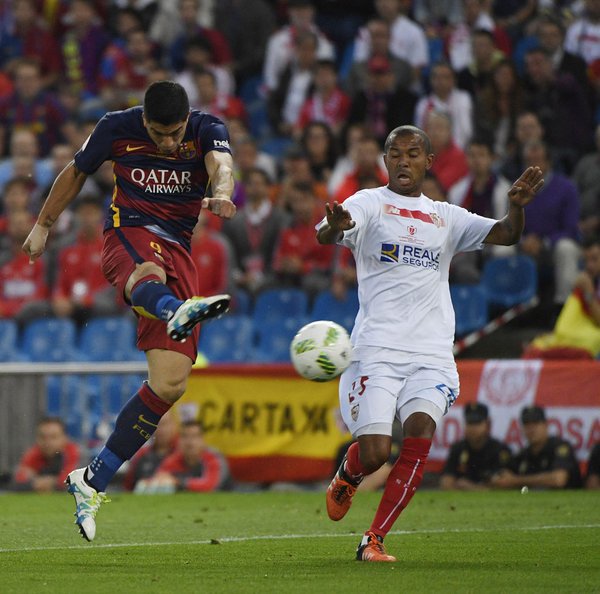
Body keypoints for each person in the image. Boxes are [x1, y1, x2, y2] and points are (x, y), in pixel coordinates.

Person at [316, 124, 543, 562]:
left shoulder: (445, 216)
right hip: (377, 350)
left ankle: (374, 539)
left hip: (432, 354)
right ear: (385, 161)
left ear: (428, 161)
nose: (403, 161)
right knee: (378, 452)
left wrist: (515, 210)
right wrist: (335, 229)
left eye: (413, 153)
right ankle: (351, 471)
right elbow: (326, 232)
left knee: (420, 435)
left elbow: (506, 234)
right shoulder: (368, 203)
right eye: (395, 153)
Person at [21, 80, 235, 541]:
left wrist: (222, 190)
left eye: (174, 132)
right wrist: (42, 226)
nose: (167, 142)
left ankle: (92, 479)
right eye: (159, 133)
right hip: (129, 231)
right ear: (144, 120)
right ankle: (175, 309)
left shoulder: (206, 128)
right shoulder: (115, 128)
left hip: (180, 247)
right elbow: (76, 172)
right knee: (147, 272)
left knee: (170, 383)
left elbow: (222, 164)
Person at [522, 235, 600, 359]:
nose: (589, 266)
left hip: (592, 336)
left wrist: (588, 292)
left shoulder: (588, 285)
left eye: (594, 259)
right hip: (584, 331)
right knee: (538, 345)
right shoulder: (590, 280)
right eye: (586, 261)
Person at [490, 406, 582, 490]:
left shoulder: (560, 447)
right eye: (527, 425)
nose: (531, 429)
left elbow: (558, 480)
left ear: (546, 425)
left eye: (535, 424)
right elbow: (505, 478)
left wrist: (515, 480)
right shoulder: (523, 454)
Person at [140, 420, 230, 493]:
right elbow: (158, 478)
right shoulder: (175, 459)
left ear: (203, 440)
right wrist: (149, 482)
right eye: (185, 436)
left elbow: (210, 485)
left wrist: (178, 482)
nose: (189, 442)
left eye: (194, 436)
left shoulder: (213, 458)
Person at [439, 403, 512, 490]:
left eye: (477, 423)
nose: (473, 428)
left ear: (487, 424)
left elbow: (506, 484)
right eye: (469, 423)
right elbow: (446, 482)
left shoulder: (499, 449)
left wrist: (471, 487)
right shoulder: (458, 449)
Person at [10, 417, 81, 492]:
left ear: (65, 438)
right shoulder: (34, 453)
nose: (48, 442)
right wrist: (36, 482)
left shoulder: (74, 452)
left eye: (53, 437)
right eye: (43, 437)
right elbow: (19, 478)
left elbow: (75, 480)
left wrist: (52, 482)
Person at [123, 409, 179, 491]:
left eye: (164, 424)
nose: (161, 429)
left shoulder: (185, 453)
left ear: (174, 425)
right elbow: (128, 488)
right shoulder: (141, 455)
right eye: (156, 424)